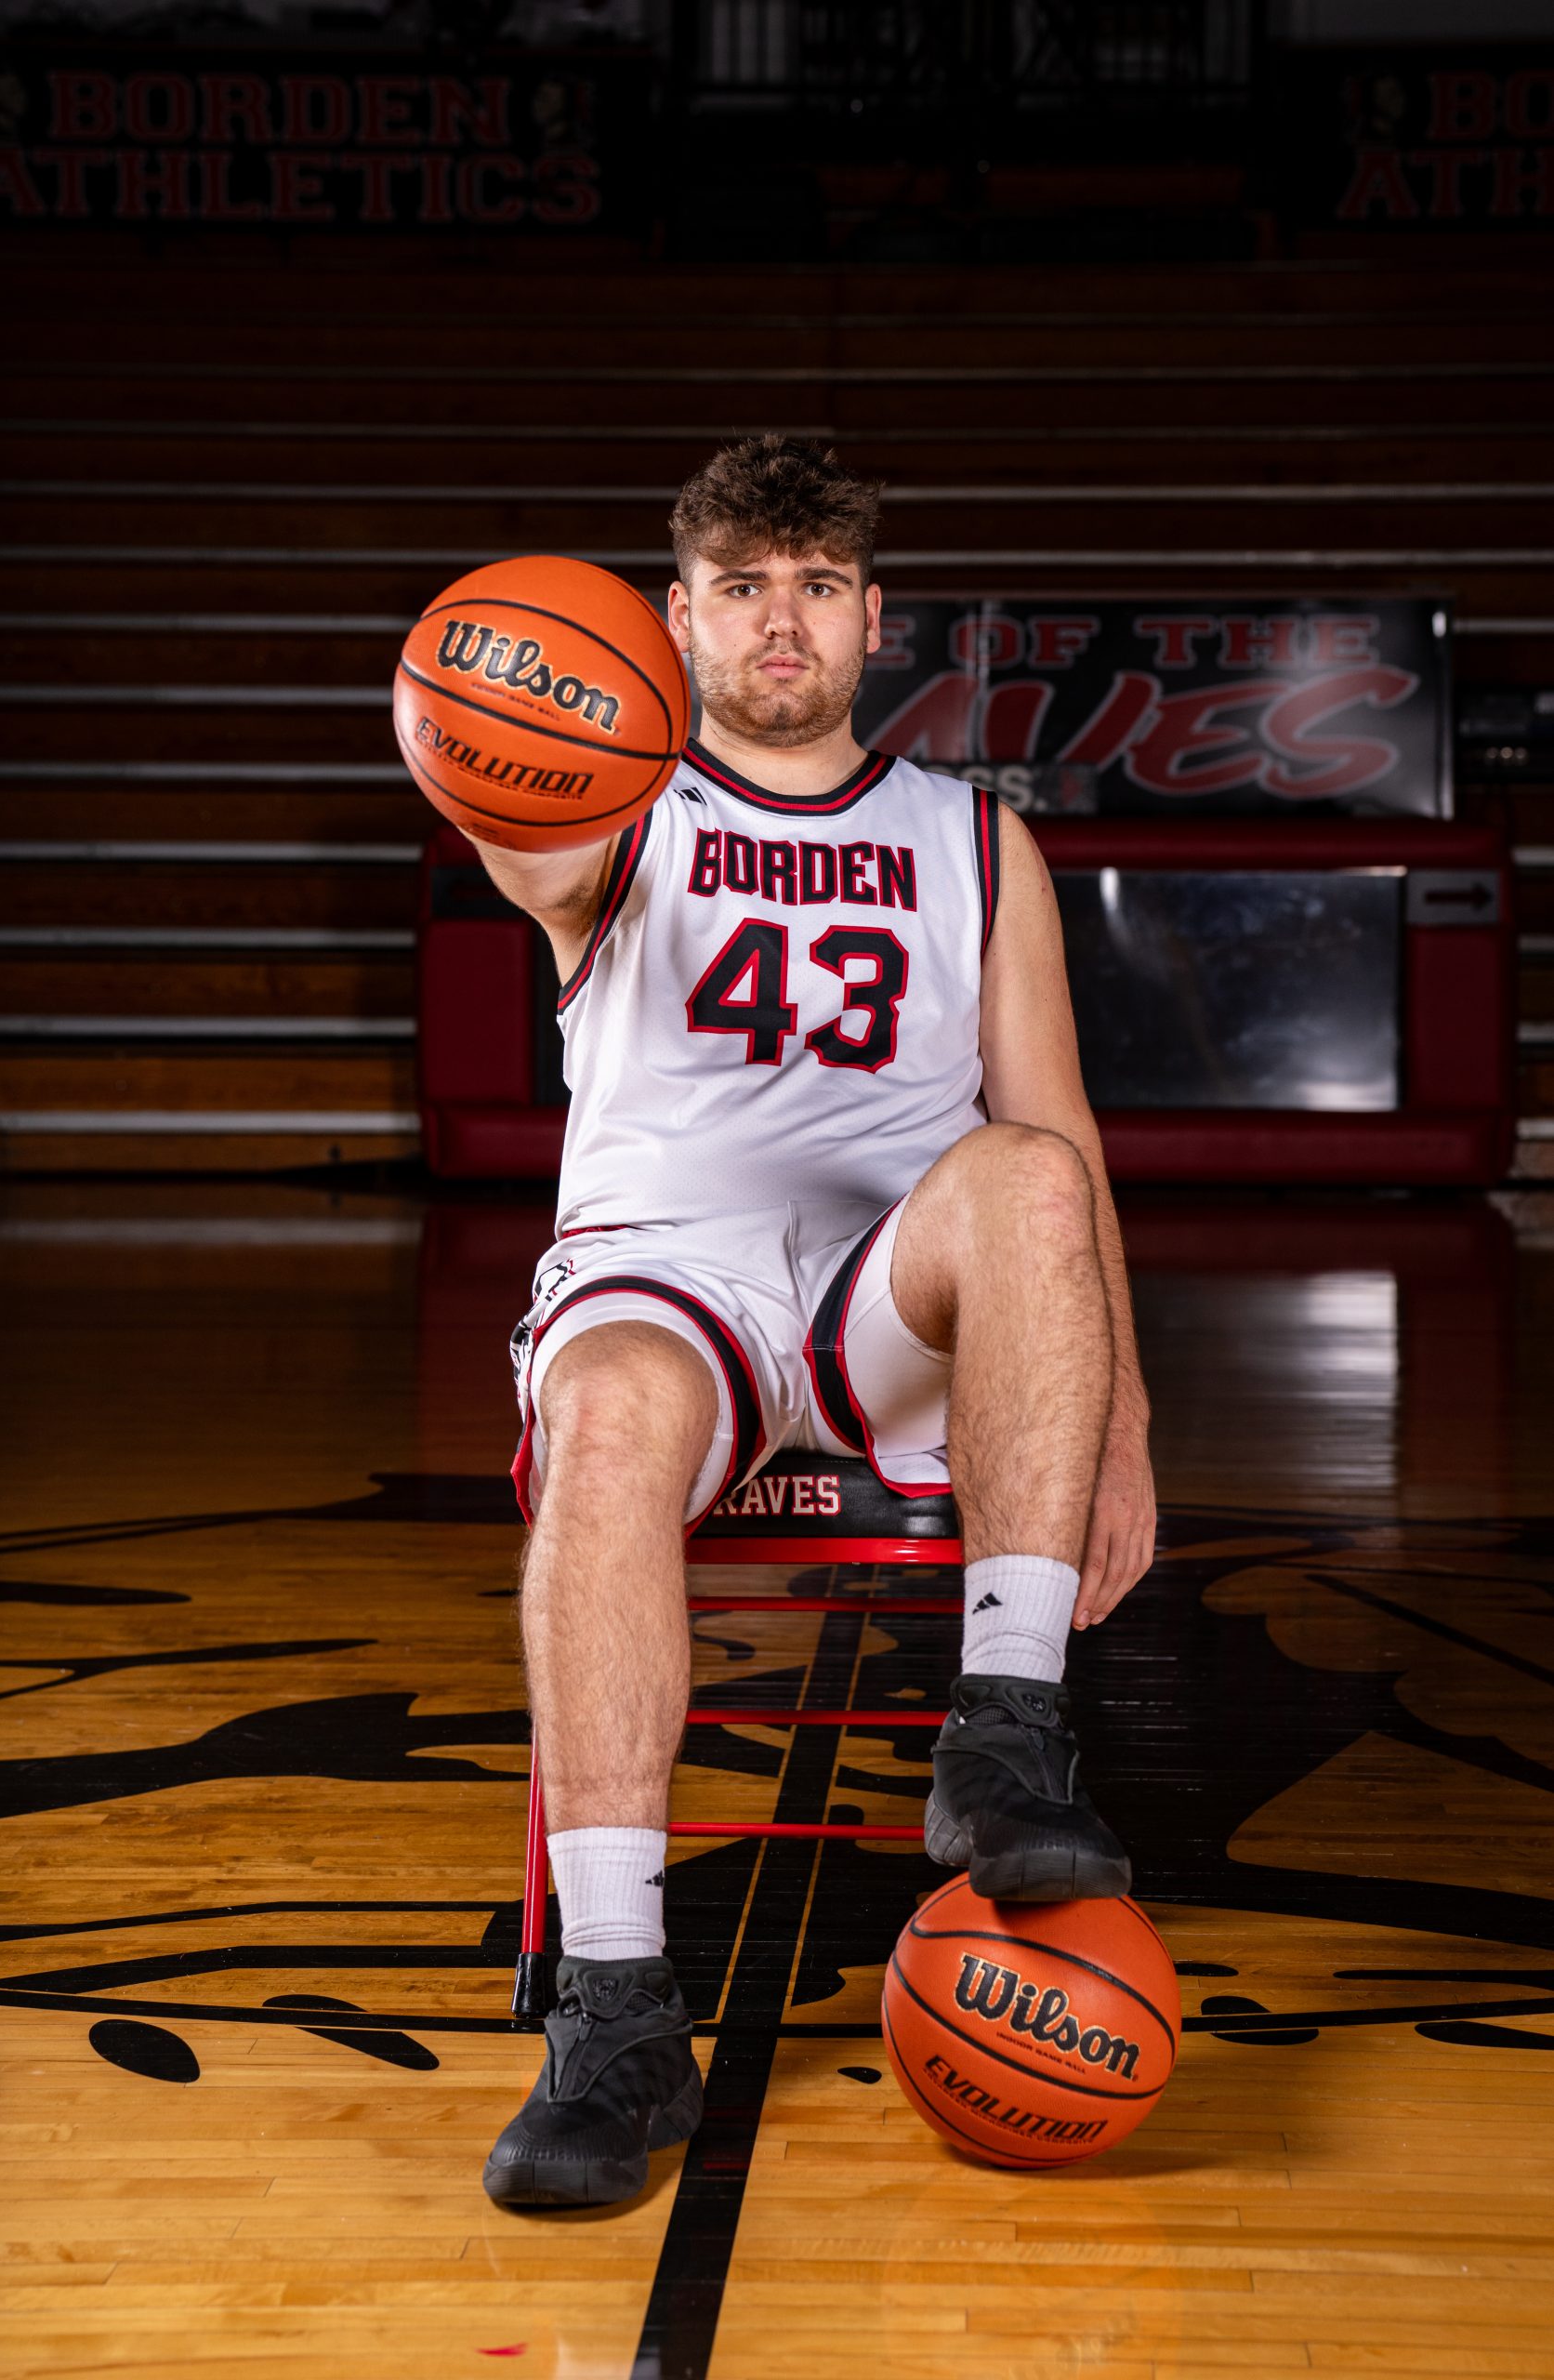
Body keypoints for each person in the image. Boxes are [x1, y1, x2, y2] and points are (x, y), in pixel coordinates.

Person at [472, 436, 1155, 2208]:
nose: (782, 620)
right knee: (606, 1411)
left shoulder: (973, 839)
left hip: (888, 1301)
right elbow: (508, 821)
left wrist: (1125, 1421)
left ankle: (1003, 1741)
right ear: (675, 618)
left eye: (819, 584)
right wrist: (463, 727)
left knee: (1026, 1169)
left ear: (871, 615)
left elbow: (1062, 1136)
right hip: (665, 1283)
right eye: (741, 586)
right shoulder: (610, 808)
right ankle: (617, 2013)